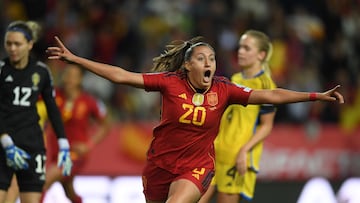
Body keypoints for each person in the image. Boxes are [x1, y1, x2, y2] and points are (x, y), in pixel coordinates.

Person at [47, 35, 344, 203]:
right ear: (187, 65)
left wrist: (315, 96)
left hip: (197, 166)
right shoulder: (169, 82)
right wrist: (76, 59)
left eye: (212, 59)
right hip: (159, 164)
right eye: (201, 58)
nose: (208, 64)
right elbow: (121, 76)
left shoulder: (224, 89)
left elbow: (271, 95)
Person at [200, 30, 277, 203]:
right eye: (240, 47)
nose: (240, 51)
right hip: (215, 151)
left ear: (261, 55)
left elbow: (266, 125)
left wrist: (245, 150)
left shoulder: (265, 84)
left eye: (247, 48)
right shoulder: (235, 78)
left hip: (236, 157)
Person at [0, 21, 72, 203]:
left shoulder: (41, 72)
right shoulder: (1, 70)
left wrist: (63, 142)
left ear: (30, 44)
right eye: (9, 44)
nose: (12, 48)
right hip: (3, 144)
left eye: (17, 44)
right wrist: (5, 140)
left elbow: (52, 108)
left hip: (32, 145)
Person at [42, 63, 110, 203]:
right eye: (66, 75)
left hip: (75, 154)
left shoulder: (89, 101)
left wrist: (89, 144)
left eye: (73, 76)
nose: (69, 79)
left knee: (43, 183)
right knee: (69, 192)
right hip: (56, 153)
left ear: (80, 79)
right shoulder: (54, 95)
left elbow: (105, 126)